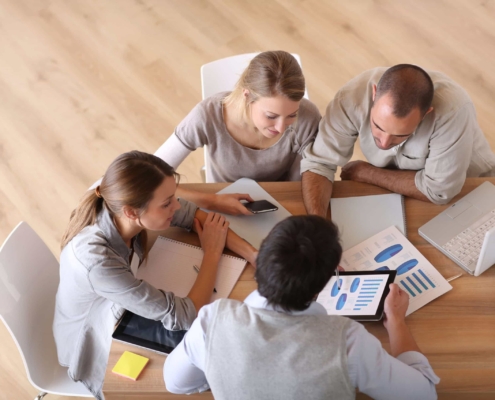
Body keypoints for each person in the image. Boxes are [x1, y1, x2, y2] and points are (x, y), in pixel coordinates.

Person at [53, 151, 257, 400]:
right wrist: (212, 253)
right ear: (130, 212)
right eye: (167, 203)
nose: (177, 206)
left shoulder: (116, 198)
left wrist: (253, 255)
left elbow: (195, 216)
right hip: (96, 342)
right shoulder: (96, 261)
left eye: (173, 197)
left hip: (121, 303)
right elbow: (185, 315)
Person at [164, 215, 439, 400]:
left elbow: (175, 383)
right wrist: (396, 321)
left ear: (262, 259)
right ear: (328, 278)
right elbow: (424, 392)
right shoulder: (348, 342)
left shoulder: (212, 321)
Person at [301, 64, 495, 216]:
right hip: (403, 189)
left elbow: (439, 191)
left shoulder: (452, 111)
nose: (384, 143)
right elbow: (319, 163)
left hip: (472, 187)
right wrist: (317, 223)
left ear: (426, 114)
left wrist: (366, 172)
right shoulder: (351, 98)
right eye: (378, 126)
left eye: (400, 135)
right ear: (374, 94)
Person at [155, 50, 321, 215]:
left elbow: (299, 185)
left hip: (281, 202)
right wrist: (212, 200)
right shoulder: (208, 116)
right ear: (247, 96)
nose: (281, 128)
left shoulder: (308, 117)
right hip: (222, 201)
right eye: (271, 116)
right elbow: (147, 176)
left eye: (292, 115)